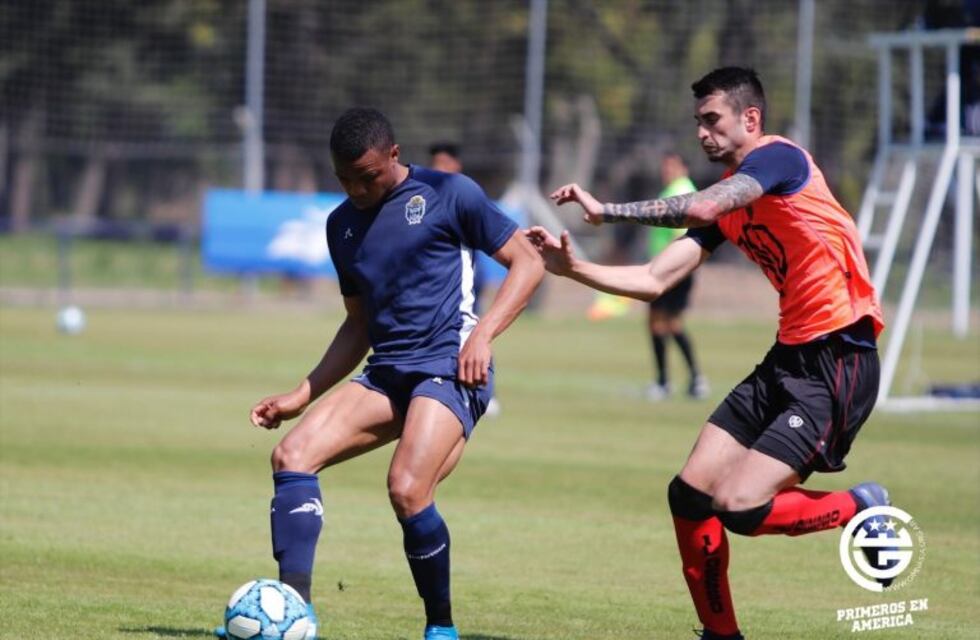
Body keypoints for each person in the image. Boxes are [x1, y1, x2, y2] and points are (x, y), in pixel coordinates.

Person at [528, 67, 894, 640]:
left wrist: (608, 211)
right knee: (690, 494)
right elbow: (654, 279)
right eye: (698, 122)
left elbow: (701, 208)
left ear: (750, 119)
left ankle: (862, 507)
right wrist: (574, 268)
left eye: (712, 120)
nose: (702, 133)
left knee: (742, 507)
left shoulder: (779, 160)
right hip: (789, 356)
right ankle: (721, 636)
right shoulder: (731, 204)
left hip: (839, 359)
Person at [217, 108, 544, 640]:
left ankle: (440, 627)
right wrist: (303, 393)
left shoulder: (449, 192)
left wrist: (481, 337)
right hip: (388, 373)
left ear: (394, 155)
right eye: (344, 179)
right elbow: (357, 325)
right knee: (292, 456)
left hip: (449, 367)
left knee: (407, 488)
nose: (357, 189)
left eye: (367, 176)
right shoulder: (340, 224)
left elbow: (528, 263)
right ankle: (294, 614)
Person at [427, 142, 503, 417]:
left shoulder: (465, 192)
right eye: (435, 163)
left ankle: (481, 386)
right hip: (444, 274)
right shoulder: (427, 193)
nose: (439, 168)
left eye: (444, 163)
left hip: (469, 273)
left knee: (473, 327)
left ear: (455, 165)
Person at [645, 152, 708, 401]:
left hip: (672, 270)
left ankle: (675, 381)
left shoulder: (680, 191)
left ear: (684, 168)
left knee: (667, 324)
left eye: (671, 166)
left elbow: (679, 235)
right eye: (665, 166)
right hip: (668, 269)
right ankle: (683, 380)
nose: (666, 170)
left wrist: (665, 266)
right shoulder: (675, 189)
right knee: (661, 323)